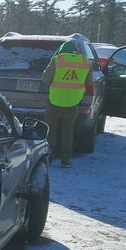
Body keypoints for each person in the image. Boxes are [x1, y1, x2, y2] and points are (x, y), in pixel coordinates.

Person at [41, 39, 91, 168]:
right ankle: (66, 161)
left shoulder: (57, 60)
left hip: (54, 101)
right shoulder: (86, 62)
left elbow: (45, 79)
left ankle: (47, 159)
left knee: (50, 132)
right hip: (73, 103)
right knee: (67, 133)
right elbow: (88, 82)